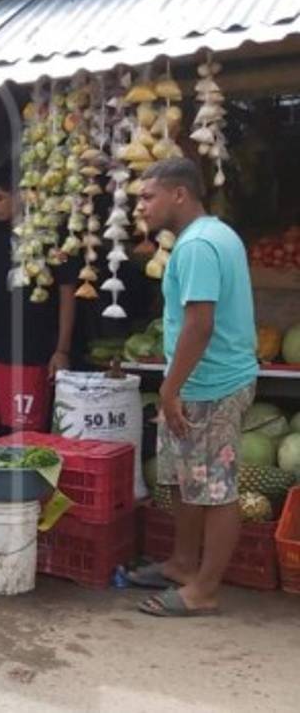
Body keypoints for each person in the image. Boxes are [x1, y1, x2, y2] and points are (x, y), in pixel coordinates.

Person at [130, 158, 258, 618]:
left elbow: (199, 325)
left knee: (216, 490)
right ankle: (184, 564)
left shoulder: (198, 246)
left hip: (211, 386)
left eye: (148, 197)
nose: (140, 206)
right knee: (189, 483)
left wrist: (169, 389)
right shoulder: (214, 234)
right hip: (200, 383)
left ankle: (204, 589)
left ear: (179, 194)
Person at [0, 174, 77, 444]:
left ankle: (22, 483)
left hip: (30, 349)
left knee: (23, 430)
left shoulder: (51, 238)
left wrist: (61, 350)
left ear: (22, 196)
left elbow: (67, 295)